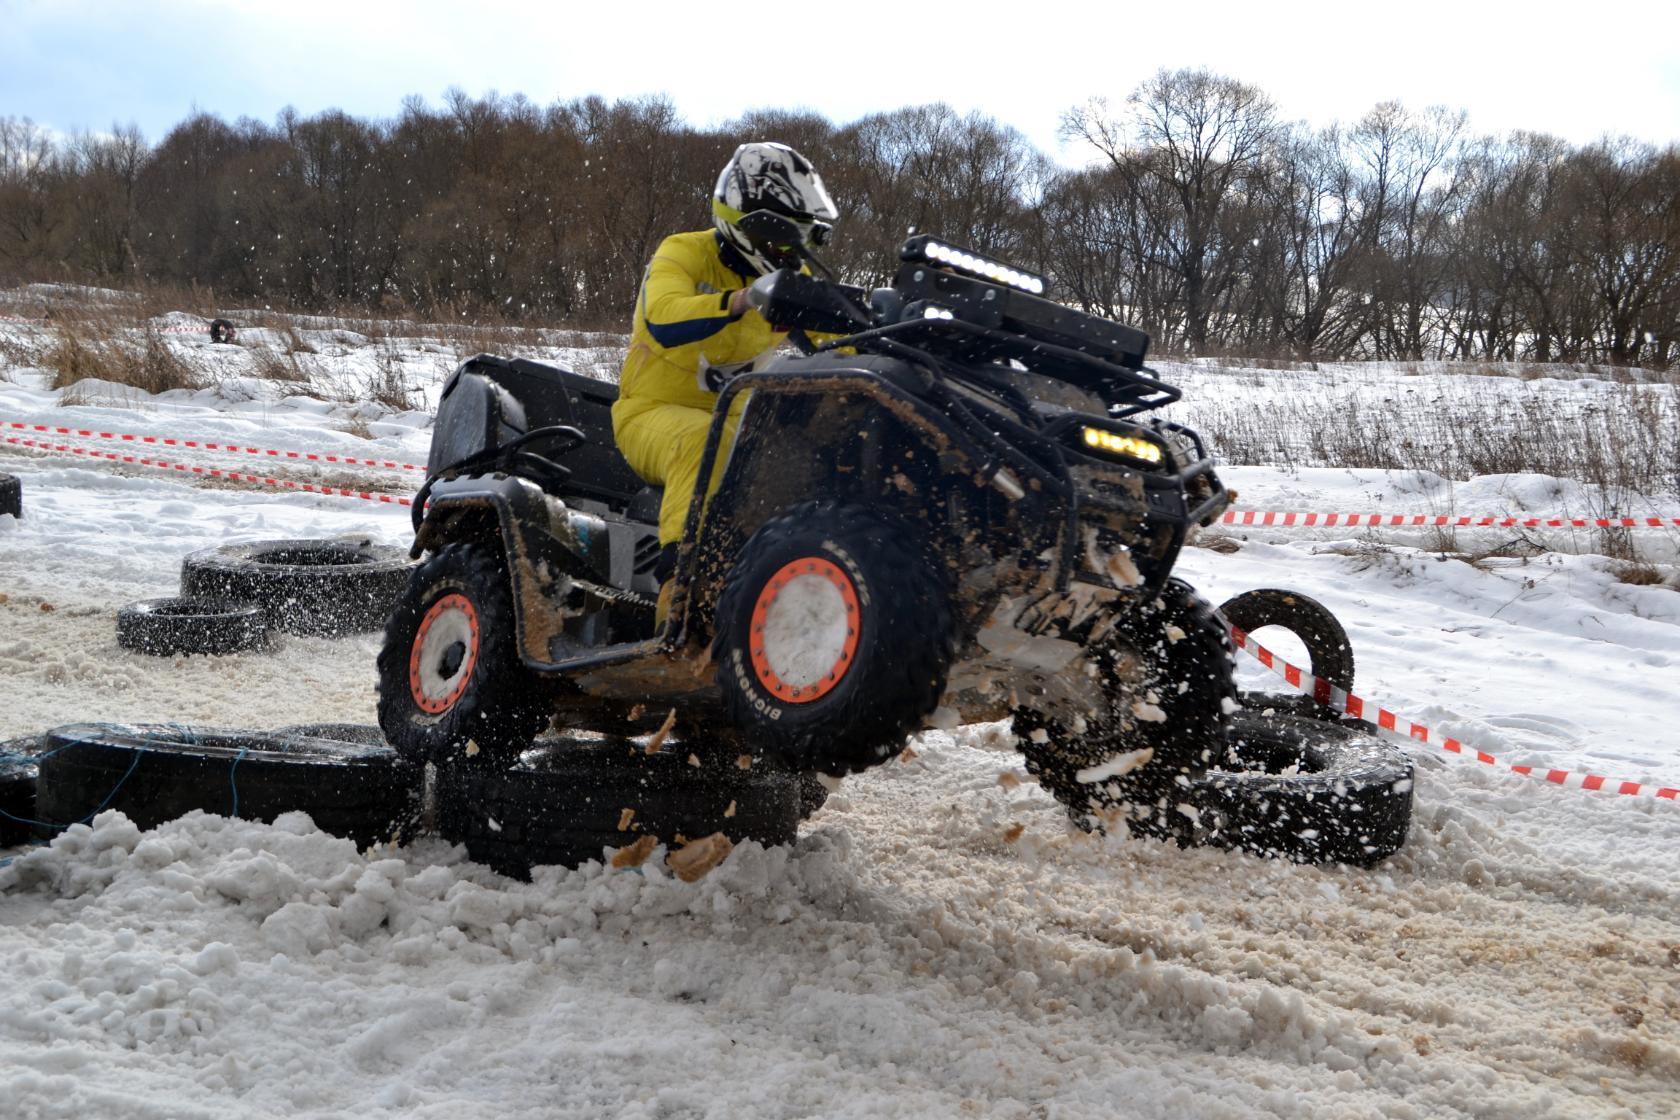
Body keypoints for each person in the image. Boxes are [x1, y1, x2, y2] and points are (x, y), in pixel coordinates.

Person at [611, 141, 838, 614]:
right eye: (785, 240)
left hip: (736, 426)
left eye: (806, 240)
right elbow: (665, 318)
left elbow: (838, 341)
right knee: (702, 441)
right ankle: (680, 601)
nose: (792, 254)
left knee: (804, 459)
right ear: (750, 225)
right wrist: (741, 301)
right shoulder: (683, 252)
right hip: (649, 416)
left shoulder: (784, 281)